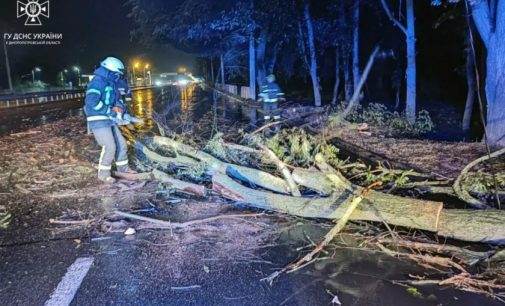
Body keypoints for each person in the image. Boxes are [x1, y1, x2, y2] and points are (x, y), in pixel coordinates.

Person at [84, 57, 139, 183]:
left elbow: (117, 100)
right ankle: (103, 175)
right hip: (98, 119)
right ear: (110, 71)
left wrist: (120, 108)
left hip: (109, 119)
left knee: (122, 144)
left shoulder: (111, 83)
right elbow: (91, 102)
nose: (118, 76)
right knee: (110, 146)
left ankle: (123, 170)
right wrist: (109, 111)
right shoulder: (97, 82)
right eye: (116, 74)